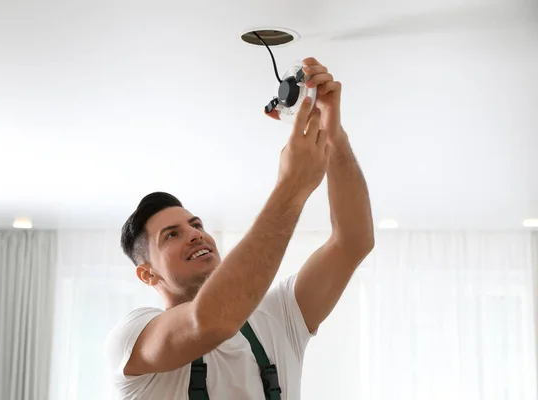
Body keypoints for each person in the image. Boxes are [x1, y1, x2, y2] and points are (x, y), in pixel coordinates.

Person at [104, 57, 375, 399]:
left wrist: (334, 136)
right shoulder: (131, 337)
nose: (194, 234)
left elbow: (353, 242)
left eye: (195, 224)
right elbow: (210, 322)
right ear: (147, 275)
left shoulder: (279, 317)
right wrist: (290, 189)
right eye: (171, 234)